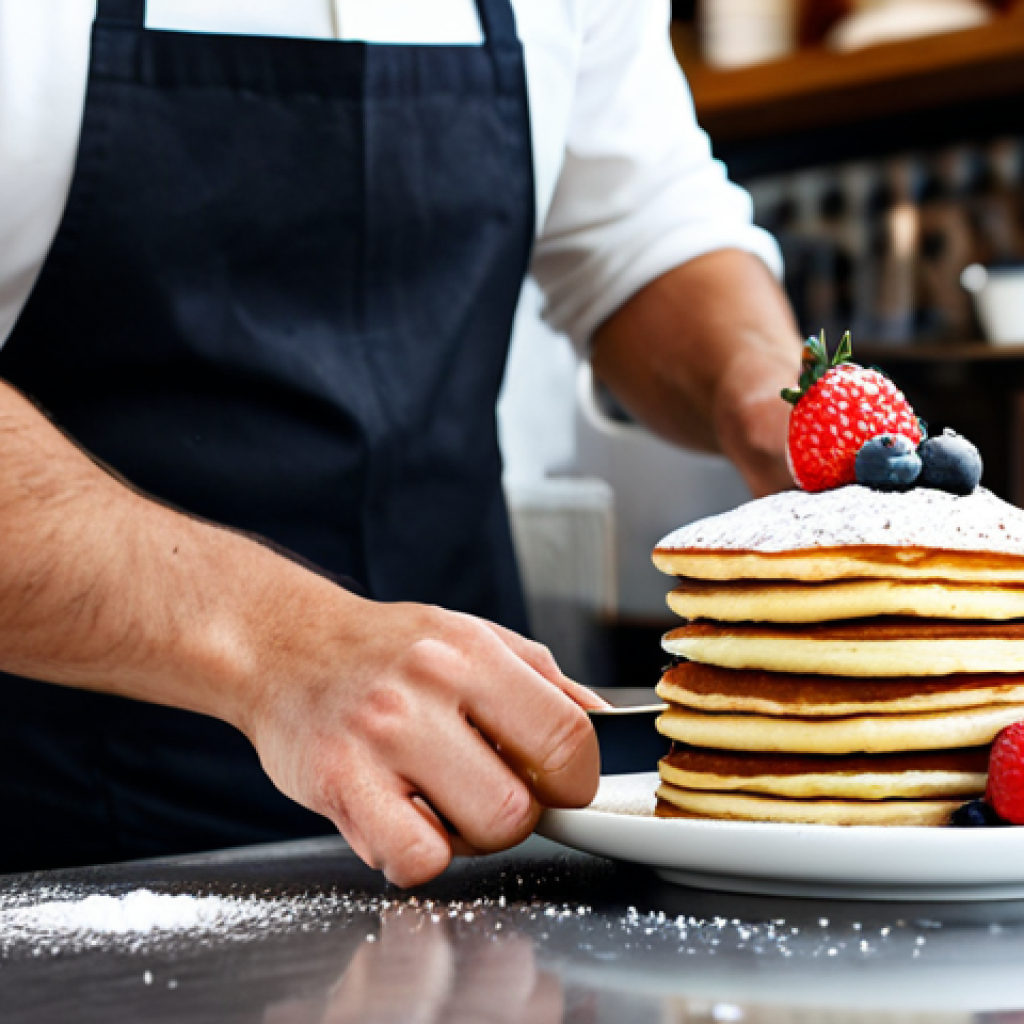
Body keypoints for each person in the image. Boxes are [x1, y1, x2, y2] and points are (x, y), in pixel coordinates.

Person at [0, 0, 800, 885]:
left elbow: (639, 229)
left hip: (483, 825)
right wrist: (279, 644)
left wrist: (763, 388)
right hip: (61, 846)